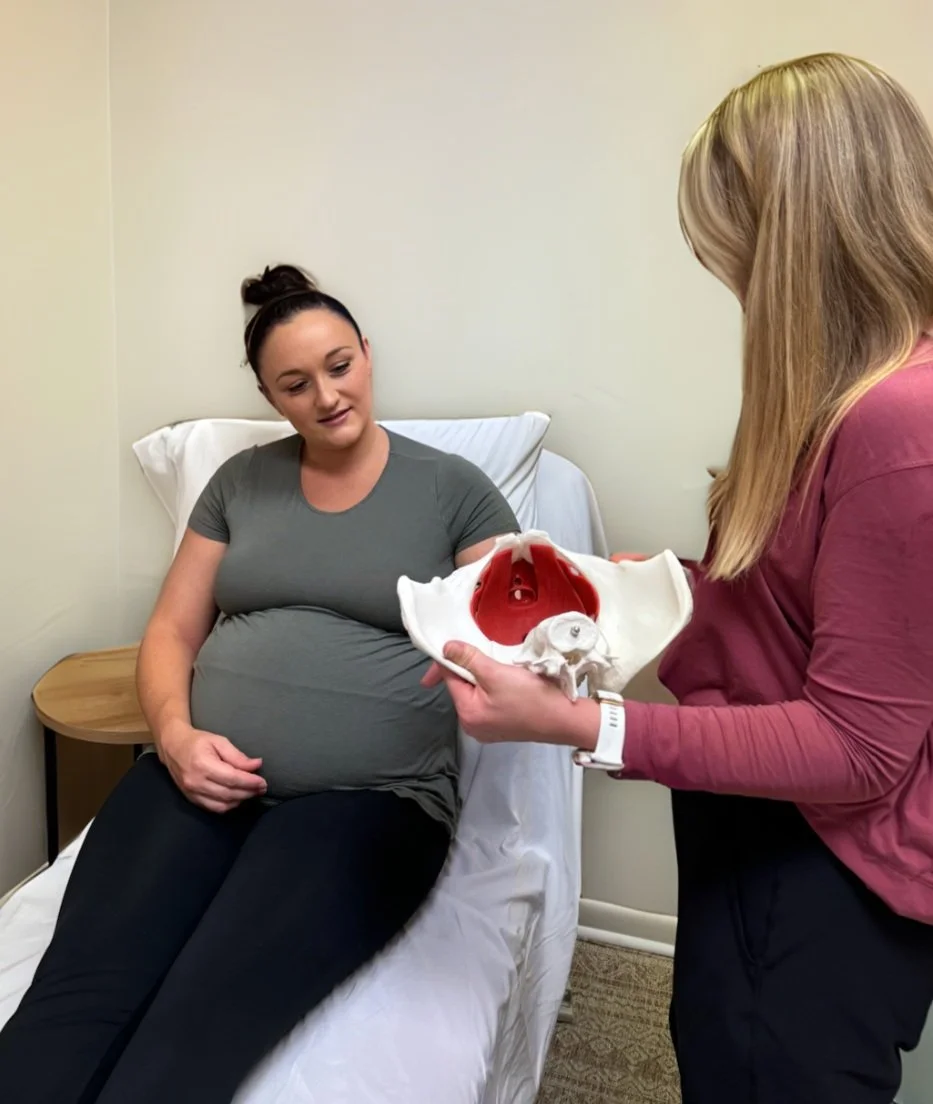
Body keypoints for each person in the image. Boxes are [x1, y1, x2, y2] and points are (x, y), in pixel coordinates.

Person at [424, 53, 933, 1104]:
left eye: (731, 241)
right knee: (712, 1045)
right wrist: (600, 594)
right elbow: (792, 610)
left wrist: (585, 727)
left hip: (825, 861)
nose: (721, 267)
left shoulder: (900, 427)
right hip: (752, 806)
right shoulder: (832, 396)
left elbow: (857, 746)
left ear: (796, 234)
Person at [0, 264, 519, 1104]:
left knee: (199, 1018)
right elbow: (172, 630)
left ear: (366, 355)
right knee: (76, 997)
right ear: (271, 397)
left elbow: (512, 636)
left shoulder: (453, 491)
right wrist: (173, 738)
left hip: (367, 802)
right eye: (295, 383)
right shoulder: (241, 483)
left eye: (340, 365)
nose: (327, 395)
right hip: (193, 777)